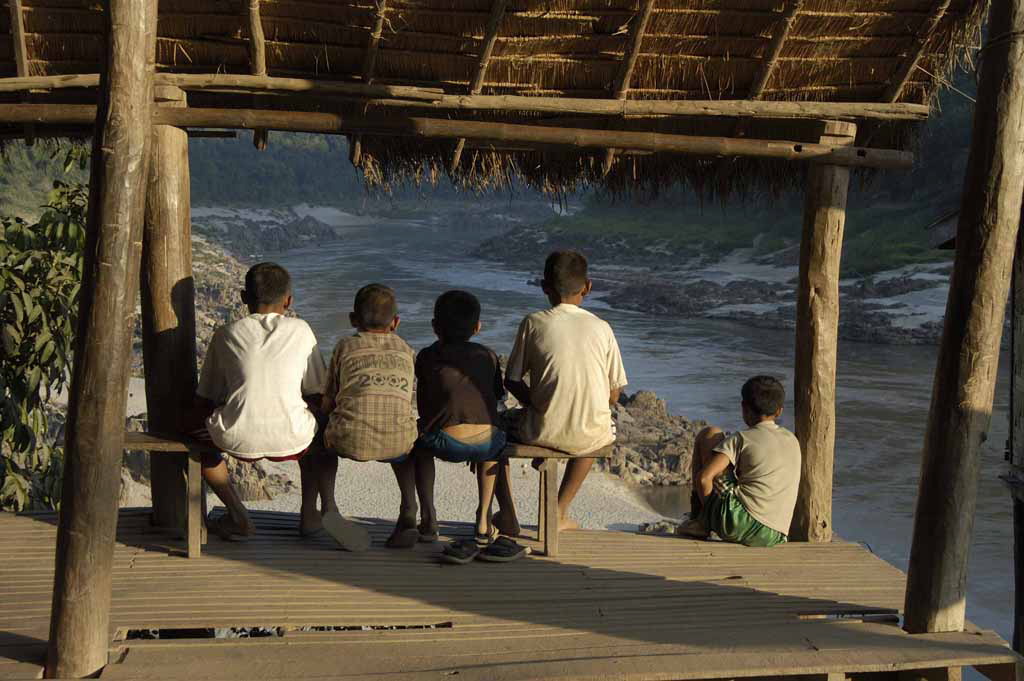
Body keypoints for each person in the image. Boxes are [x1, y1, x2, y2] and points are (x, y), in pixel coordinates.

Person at [185, 262, 329, 541]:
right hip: (293, 437)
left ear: (243, 297)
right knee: (319, 437)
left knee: (199, 443)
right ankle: (310, 514)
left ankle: (238, 514)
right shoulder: (301, 330)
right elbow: (315, 392)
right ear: (289, 301)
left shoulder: (225, 334)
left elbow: (207, 396)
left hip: (236, 438)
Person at [505, 250, 627, 531]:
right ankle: (559, 511)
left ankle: (507, 511)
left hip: (541, 429)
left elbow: (511, 380)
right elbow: (614, 394)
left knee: (500, 427)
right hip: (589, 435)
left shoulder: (534, 322)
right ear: (588, 286)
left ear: (544, 286)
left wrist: (536, 403)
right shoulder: (603, 327)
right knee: (595, 435)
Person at [414, 290, 518, 546]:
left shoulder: (427, 356)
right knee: (493, 450)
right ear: (478, 327)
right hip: (487, 441)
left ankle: (428, 517)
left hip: (444, 441)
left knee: (419, 449)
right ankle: (483, 520)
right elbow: (496, 397)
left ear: (434, 327)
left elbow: (425, 401)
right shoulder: (489, 356)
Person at [320, 283, 419, 550]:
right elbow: (409, 398)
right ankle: (409, 507)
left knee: (320, 438)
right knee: (407, 444)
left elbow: (329, 398)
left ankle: (328, 506)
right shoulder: (407, 351)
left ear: (353, 320)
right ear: (396, 322)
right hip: (398, 442)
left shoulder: (344, 346)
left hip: (349, 440)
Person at [678, 375, 800, 548]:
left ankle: (699, 522)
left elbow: (703, 479)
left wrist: (711, 515)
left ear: (744, 407)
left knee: (710, 435)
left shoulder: (742, 439)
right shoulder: (793, 440)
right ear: (779, 411)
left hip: (739, 524)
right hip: (777, 534)